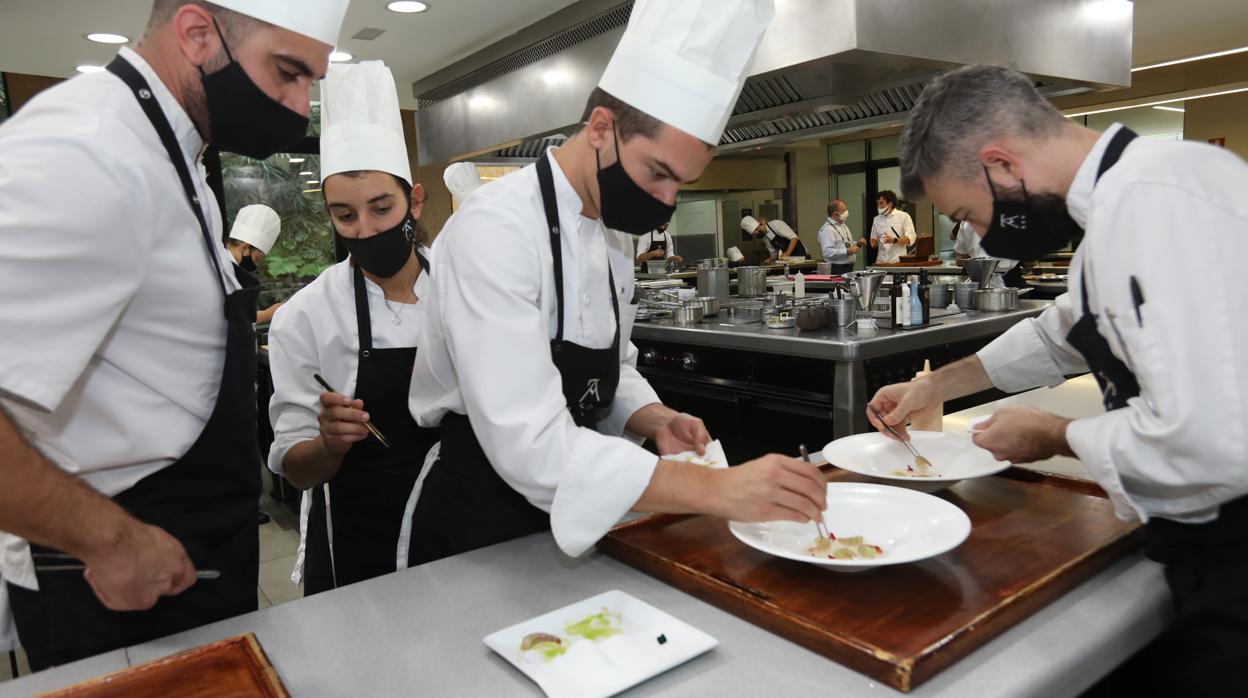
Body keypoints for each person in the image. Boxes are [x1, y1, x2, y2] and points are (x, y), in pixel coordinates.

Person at [870, 64, 1248, 695]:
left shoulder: (1158, 203)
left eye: (970, 213)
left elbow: (1215, 438)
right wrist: (936, 387)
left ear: (1003, 165)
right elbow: (1060, 334)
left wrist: (1055, 435)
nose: (984, 239)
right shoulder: (1124, 203)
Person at [407, 0, 826, 566]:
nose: (665, 203)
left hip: (582, 509)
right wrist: (718, 489)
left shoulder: (611, 232)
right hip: (479, 517)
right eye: (658, 172)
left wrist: (653, 418)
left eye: (681, 185)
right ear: (602, 128)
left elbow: (610, 369)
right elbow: (528, 441)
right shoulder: (494, 229)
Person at [0, 0, 346, 670]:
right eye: (286, 72)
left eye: (310, 83)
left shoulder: (174, 154)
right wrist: (106, 540)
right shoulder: (89, 149)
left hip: (193, 558)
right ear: (196, 33)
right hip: (114, 585)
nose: (298, 106)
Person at [267, 61, 439, 596]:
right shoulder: (306, 316)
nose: (364, 230)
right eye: (344, 216)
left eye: (381, 208)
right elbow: (296, 469)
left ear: (415, 200)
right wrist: (329, 445)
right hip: (358, 544)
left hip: (461, 529)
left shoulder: (467, 292)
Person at [225, 203, 284, 322]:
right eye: (258, 258)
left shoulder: (229, 267)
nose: (256, 264)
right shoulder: (225, 272)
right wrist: (268, 314)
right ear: (244, 248)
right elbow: (231, 318)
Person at [817, 199, 866, 275]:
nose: (847, 211)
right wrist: (847, 251)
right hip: (836, 269)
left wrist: (858, 243)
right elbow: (827, 252)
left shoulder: (843, 225)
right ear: (836, 214)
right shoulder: (827, 229)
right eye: (844, 210)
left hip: (848, 268)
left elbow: (845, 244)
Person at [869, 190, 916, 263]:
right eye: (877, 204)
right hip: (881, 262)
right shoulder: (876, 219)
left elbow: (911, 239)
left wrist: (893, 240)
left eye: (881, 203)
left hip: (898, 261)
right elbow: (873, 241)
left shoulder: (904, 216)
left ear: (890, 203)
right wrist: (874, 243)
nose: (879, 206)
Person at [741, 214, 807, 263]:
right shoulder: (765, 238)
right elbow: (774, 254)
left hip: (800, 255)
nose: (757, 233)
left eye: (757, 229)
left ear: (761, 224)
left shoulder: (776, 224)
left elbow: (794, 238)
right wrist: (767, 261)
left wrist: (787, 253)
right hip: (788, 260)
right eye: (755, 233)